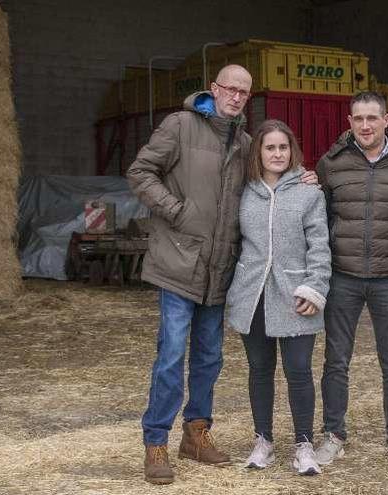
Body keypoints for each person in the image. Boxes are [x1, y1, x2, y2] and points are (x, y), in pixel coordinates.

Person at [127, 65, 317, 484]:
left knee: (210, 357)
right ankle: (155, 440)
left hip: (219, 270)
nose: (235, 96)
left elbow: (270, 181)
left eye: (244, 93)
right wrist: (176, 211)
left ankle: (196, 433)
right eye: (230, 89)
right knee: (172, 355)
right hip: (179, 262)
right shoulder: (179, 126)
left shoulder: (246, 142)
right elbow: (140, 172)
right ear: (214, 89)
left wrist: (302, 177)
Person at [313, 91, 388, 467]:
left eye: (372, 118)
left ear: (386, 119)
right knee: (336, 360)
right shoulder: (331, 163)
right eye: (358, 118)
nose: (365, 125)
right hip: (341, 275)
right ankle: (332, 435)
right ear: (349, 121)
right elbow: (319, 220)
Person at [224, 120, 331, 476]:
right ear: (258, 152)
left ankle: (303, 444)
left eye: (283, 147)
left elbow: (319, 245)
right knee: (259, 370)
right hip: (252, 294)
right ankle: (263, 441)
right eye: (269, 148)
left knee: (298, 371)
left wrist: (315, 289)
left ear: (292, 151)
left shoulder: (308, 191)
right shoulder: (245, 192)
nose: (277, 154)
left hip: (295, 295)